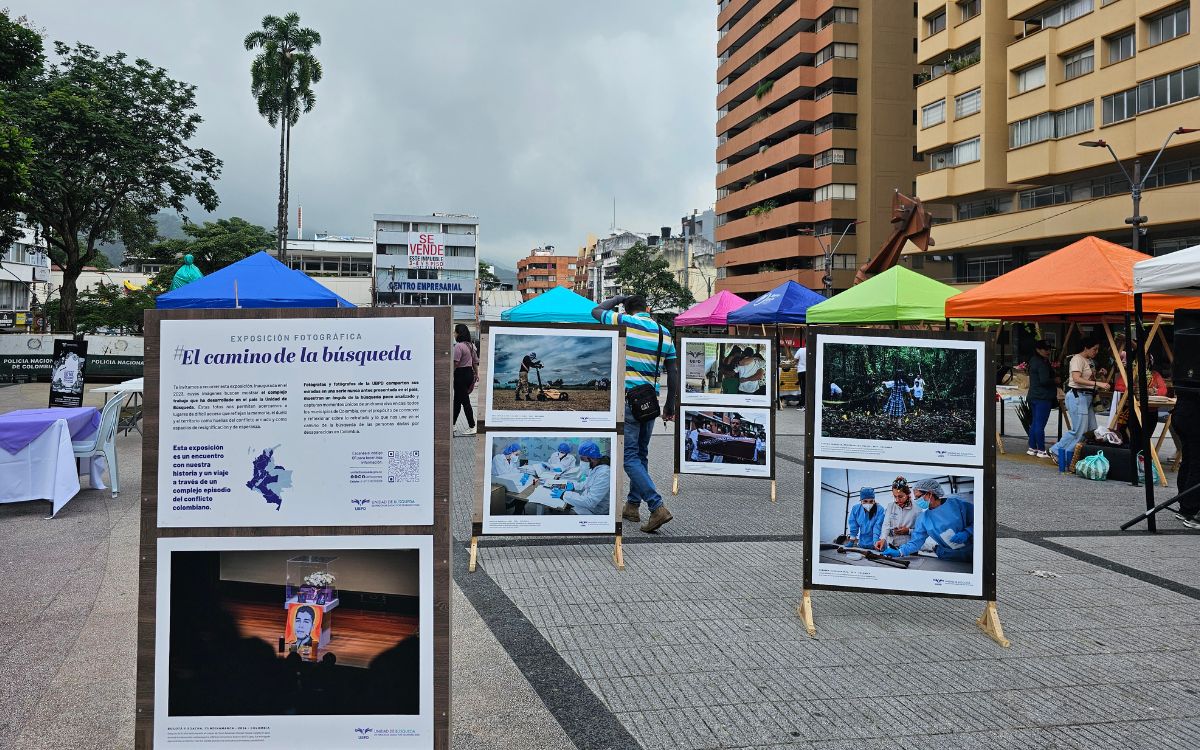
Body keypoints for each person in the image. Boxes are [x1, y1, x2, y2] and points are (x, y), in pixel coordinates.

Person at [592, 293, 680, 533]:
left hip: (628, 400)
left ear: (628, 309)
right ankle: (632, 506)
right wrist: (669, 406)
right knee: (641, 455)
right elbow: (672, 372)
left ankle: (657, 506)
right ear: (648, 308)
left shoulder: (626, 322)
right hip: (650, 403)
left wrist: (617, 298)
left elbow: (596, 311)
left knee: (628, 456)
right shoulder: (664, 332)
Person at [1049, 336, 1110, 462]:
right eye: (1094, 349)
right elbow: (1076, 378)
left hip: (1087, 397)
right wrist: (1098, 384)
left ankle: (1073, 454)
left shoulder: (1089, 361)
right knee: (1079, 430)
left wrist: (1099, 375)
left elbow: (1087, 379)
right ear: (1086, 348)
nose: (1096, 352)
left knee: (1091, 429)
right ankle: (1058, 451)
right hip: (1078, 396)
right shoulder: (1077, 359)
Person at [882, 478, 973, 561]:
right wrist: (900, 552)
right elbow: (916, 542)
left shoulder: (957, 505)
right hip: (950, 556)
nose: (917, 500)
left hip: (974, 552)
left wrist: (968, 532)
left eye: (918, 497)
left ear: (929, 493)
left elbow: (981, 522)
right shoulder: (923, 518)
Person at [548, 440, 612, 515]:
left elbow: (590, 501)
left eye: (582, 459)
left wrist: (564, 494)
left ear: (592, 458)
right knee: (560, 503)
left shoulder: (604, 474)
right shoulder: (596, 467)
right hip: (587, 502)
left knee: (566, 510)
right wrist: (573, 486)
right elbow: (587, 483)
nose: (581, 462)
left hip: (595, 510)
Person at [1172, 389, 1200, 529]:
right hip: (1193, 414)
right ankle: (1192, 509)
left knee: (1189, 460)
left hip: (1182, 412)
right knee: (1196, 463)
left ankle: (1185, 507)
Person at [1026, 340, 1056, 459]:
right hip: (1042, 397)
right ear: (1038, 349)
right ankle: (1041, 450)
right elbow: (1044, 380)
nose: (1048, 351)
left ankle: (1032, 447)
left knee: (1035, 423)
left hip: (1033, 396)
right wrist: (1055, 380)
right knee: (1039, 425)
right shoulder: (1042, 363)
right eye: (1045, 349)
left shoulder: (1033, 360)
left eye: (1049, 349)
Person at [876, 477, 921, 551]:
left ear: (908, 494)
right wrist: (883, 539)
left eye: (900, 496)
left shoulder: (917, 508)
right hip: (892, 545)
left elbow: (921, 531)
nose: (897, 500)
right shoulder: (891, 506)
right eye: (895, 496)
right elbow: (886, 524)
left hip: (909, 548)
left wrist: (908, 531)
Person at [452, 324, 478, 436]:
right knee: (457, 401)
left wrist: (449, 374)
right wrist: (476, 374)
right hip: (469, 373)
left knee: (465, 402)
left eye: (455, 332)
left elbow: (456, 362)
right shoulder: (471, 345)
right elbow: (475, 361)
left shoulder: (458, 346)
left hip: (460, 374)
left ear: (459, 333)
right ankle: (452, 424)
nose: (454, 333)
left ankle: (472, 426)